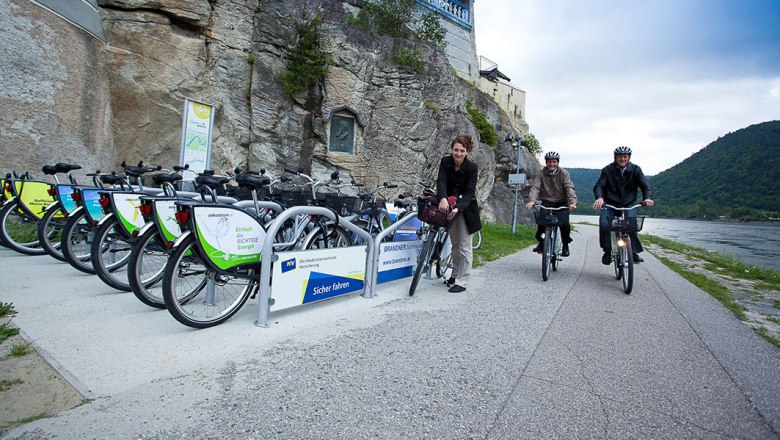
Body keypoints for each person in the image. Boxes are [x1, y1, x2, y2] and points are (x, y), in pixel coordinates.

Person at [593, 146, 654, 265]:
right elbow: (599, 185)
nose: (622, 159)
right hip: (610, 204)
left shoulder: (635, 169)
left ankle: (633, 252)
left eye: (625, 156)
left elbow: (645, 185)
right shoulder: (607, 170)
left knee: (632, 226)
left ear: (629, 158)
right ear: (615, 157)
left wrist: (647, 198)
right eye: (620, 156)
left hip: (628, 203)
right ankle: (607, 251)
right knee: (605, 225)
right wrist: (600, 198)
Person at [436, 134, 482, 293]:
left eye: (462, 150)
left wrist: (457, 208)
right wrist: (442, 198)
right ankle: (455, 274)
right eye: (456, 150)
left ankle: (462, 281)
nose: (458, 153)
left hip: (465, 209)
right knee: (454, 244)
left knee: (464, 246)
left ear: (467, 152)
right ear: (451, 149)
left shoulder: (471, 168)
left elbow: (469, 193)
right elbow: (441, 181)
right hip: (448, 205)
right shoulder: (445, 162)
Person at [525, 151, 577, 256]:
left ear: (557, 162)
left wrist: (572, 202)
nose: (551, 164)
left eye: (554, 162)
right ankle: (541, 242)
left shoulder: (564, 173)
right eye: (549, 162)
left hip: (562, 202)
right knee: (541, 223)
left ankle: (565, 245)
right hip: (547, 202)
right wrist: (532, 200)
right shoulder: (541, 173)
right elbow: (535, 187)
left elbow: (569, 188)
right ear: (546, 162)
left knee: (565, 225)